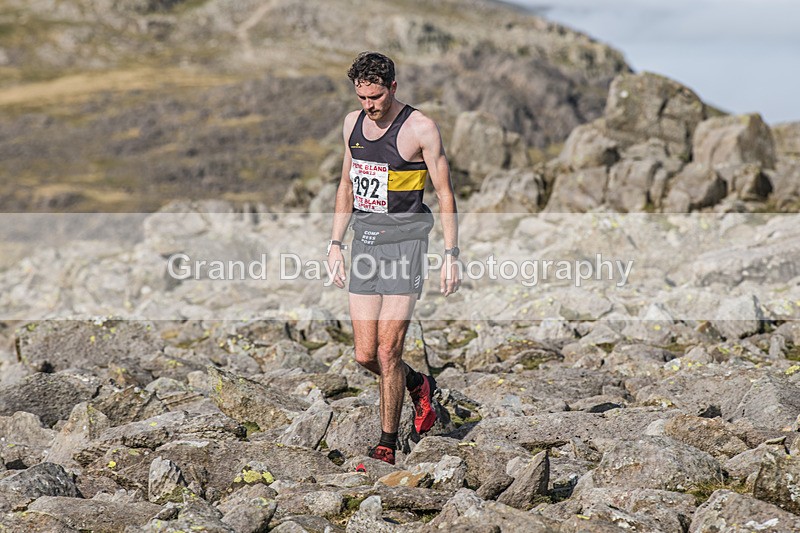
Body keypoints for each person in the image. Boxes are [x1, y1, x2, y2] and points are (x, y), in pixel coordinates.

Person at [326, 51, 461, 465]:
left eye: (377, 96)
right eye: (363, 97)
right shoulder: (352, 124)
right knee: (365, 355)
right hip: (365, 243)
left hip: (407, 246)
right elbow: (347, 186)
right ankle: (419, 383)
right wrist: (335, 245)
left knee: (388, 352)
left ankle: (386, 443)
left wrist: (451, 254)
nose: (370, 105)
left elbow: (444, 194)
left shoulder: (421, 128)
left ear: (393, 87)